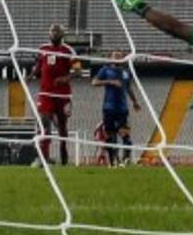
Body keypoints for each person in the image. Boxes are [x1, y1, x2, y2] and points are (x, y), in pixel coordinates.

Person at [28, 23, 78, 166]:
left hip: (63, 96)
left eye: (57, 31)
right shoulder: (43, 49)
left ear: (62, 34)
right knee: (44, 126)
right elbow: (39, 65)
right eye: (52, 31)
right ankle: (43, 159)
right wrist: (31, 75)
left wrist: (66, 78)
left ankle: (63, 153)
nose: (54, 33)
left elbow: (78, 70)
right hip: (45, 93)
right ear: (48, 33)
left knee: (62, 128)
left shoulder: (68, 50)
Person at [90, 51, 141, 167]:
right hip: (109, 107)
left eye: (120, 56)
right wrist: (110, 82)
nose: (118, 57)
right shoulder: (105, 70)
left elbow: (128, 88)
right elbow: (94, 82)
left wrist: (135, 102)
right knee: (110, 135)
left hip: (122, 108)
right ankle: (113, 161)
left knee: (125, 135)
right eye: (115, 56)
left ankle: (126, 160)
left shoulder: (125, 72)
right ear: (111, 58)